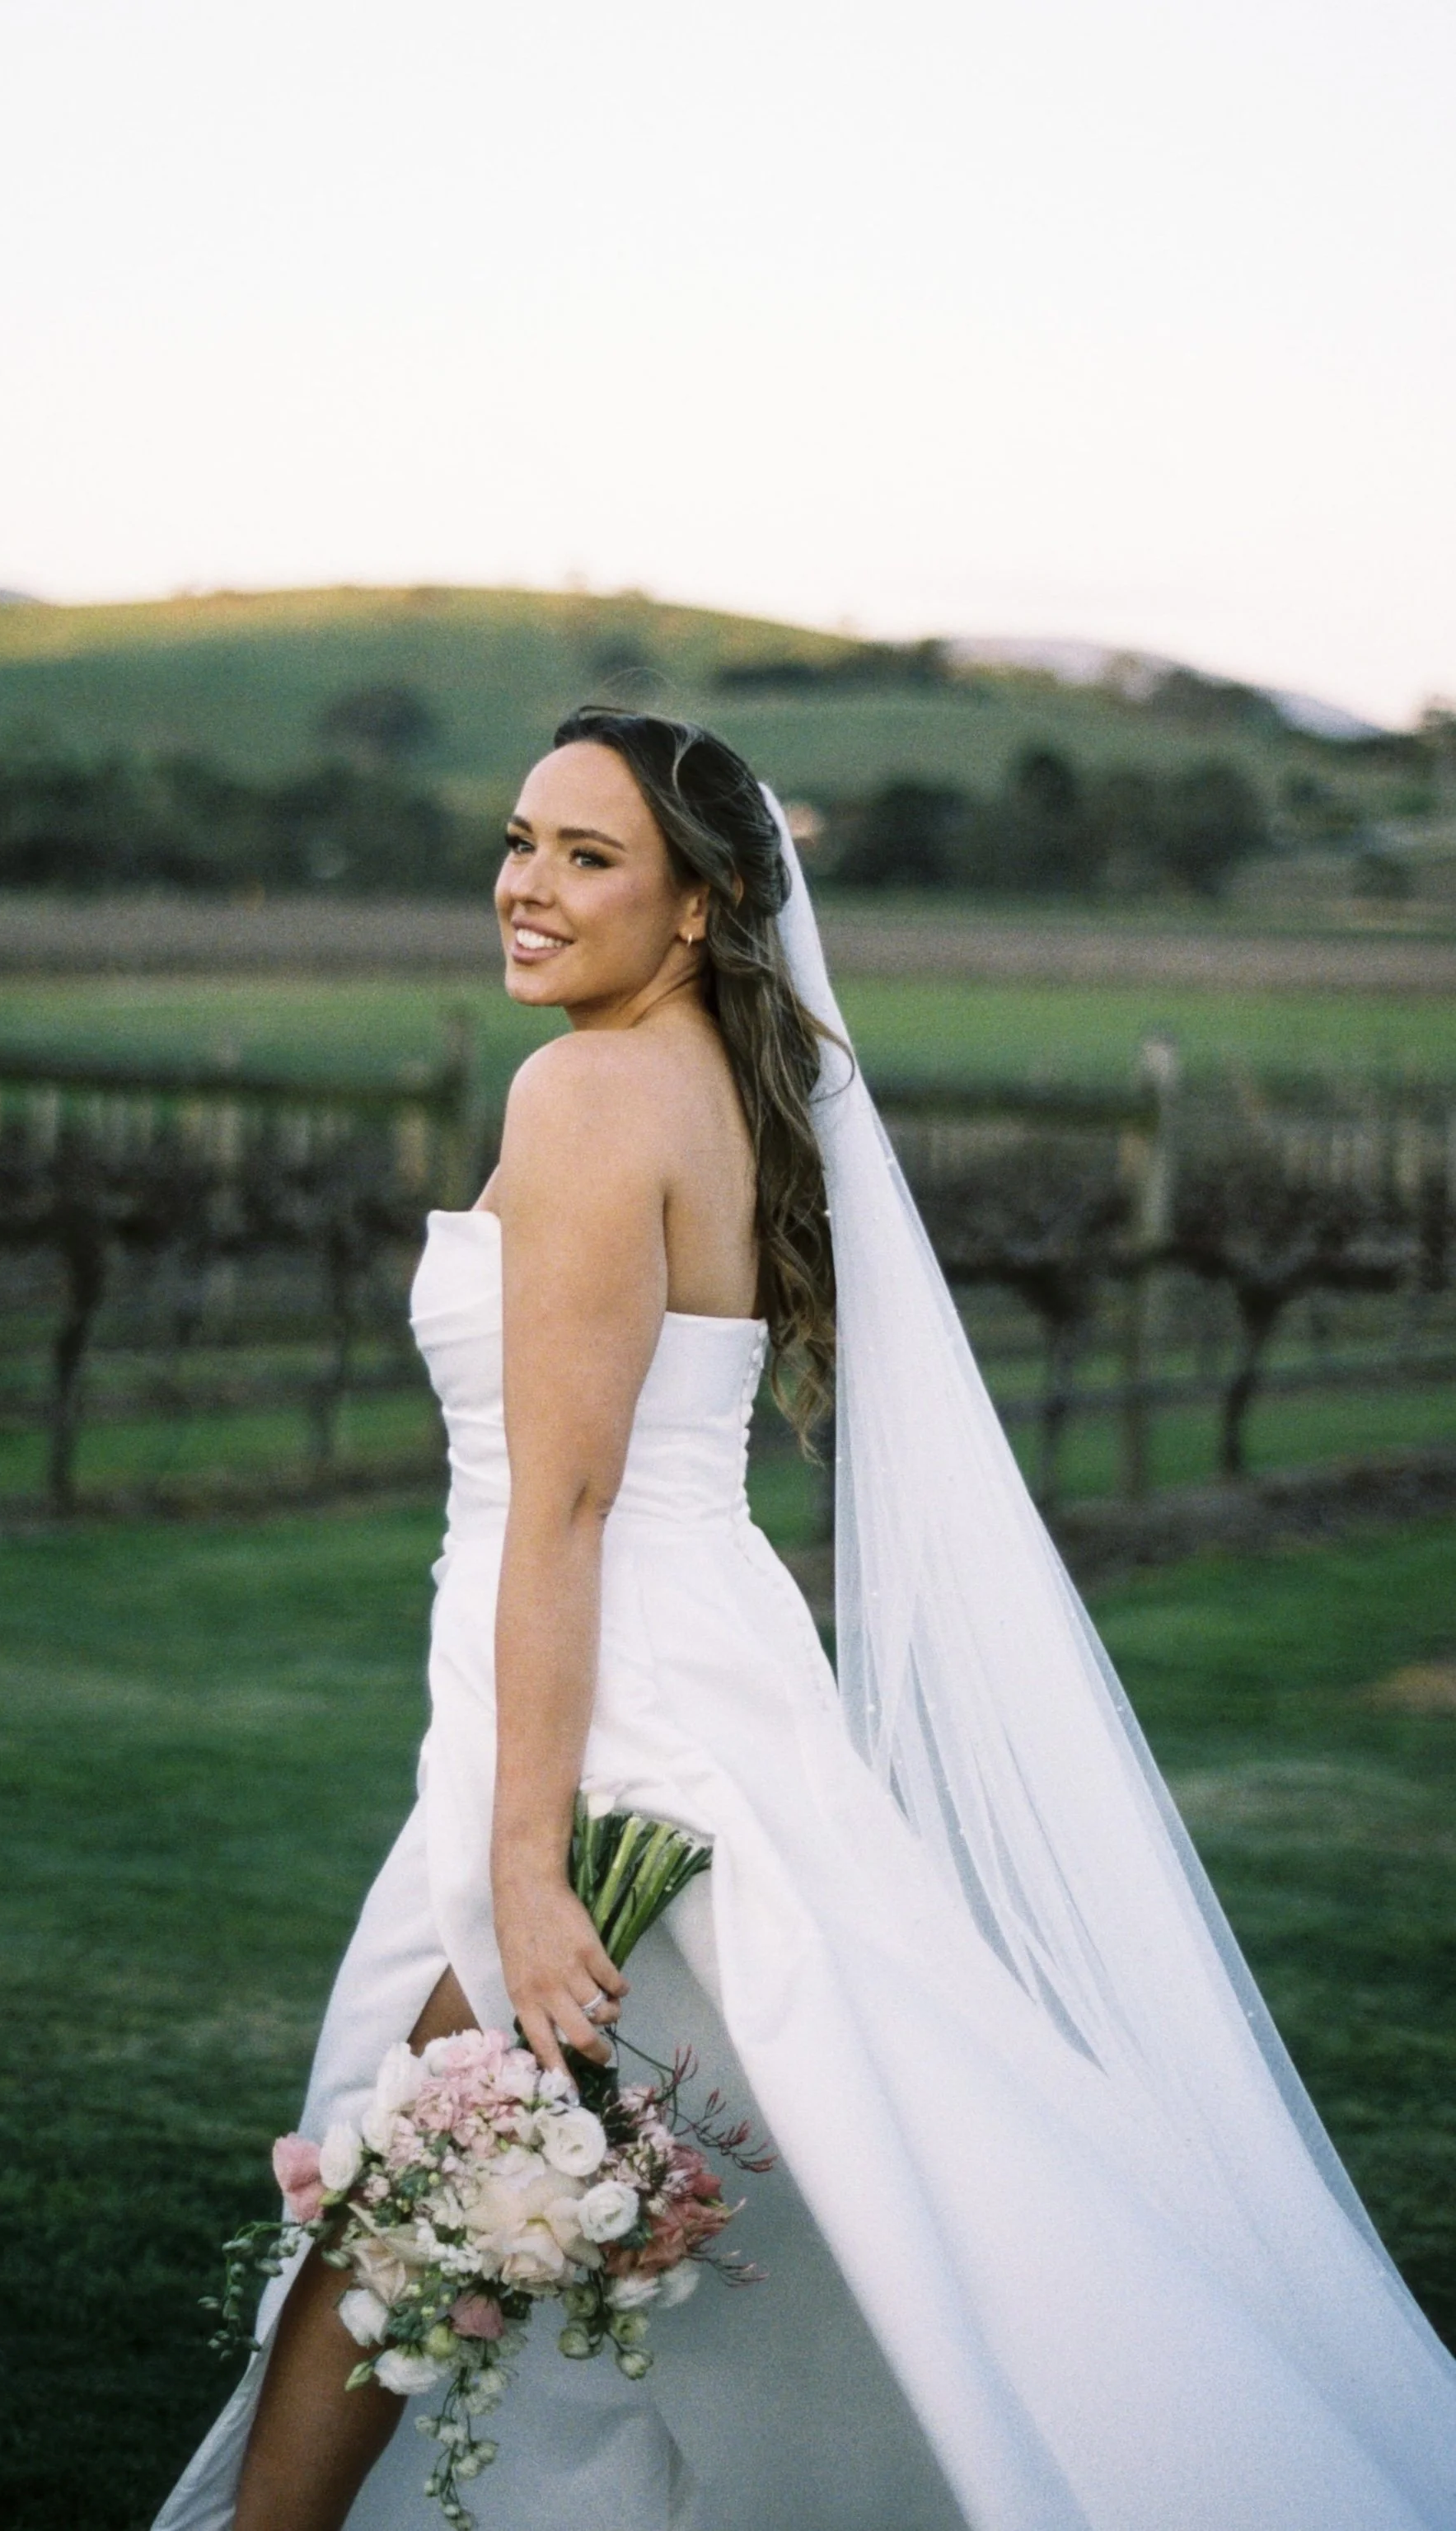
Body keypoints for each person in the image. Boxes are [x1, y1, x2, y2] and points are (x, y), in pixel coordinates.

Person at [156, 710, 1456, 2531]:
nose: (526, 885)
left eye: (588, 856)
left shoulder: (587, 1091)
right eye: (520, 840)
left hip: (607, 1714)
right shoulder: (697, 1073)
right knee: (580, 2178)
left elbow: (570, 1501)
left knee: (408, 2185)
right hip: (677, 1671)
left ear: (700, 904)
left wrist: (526, 1853)